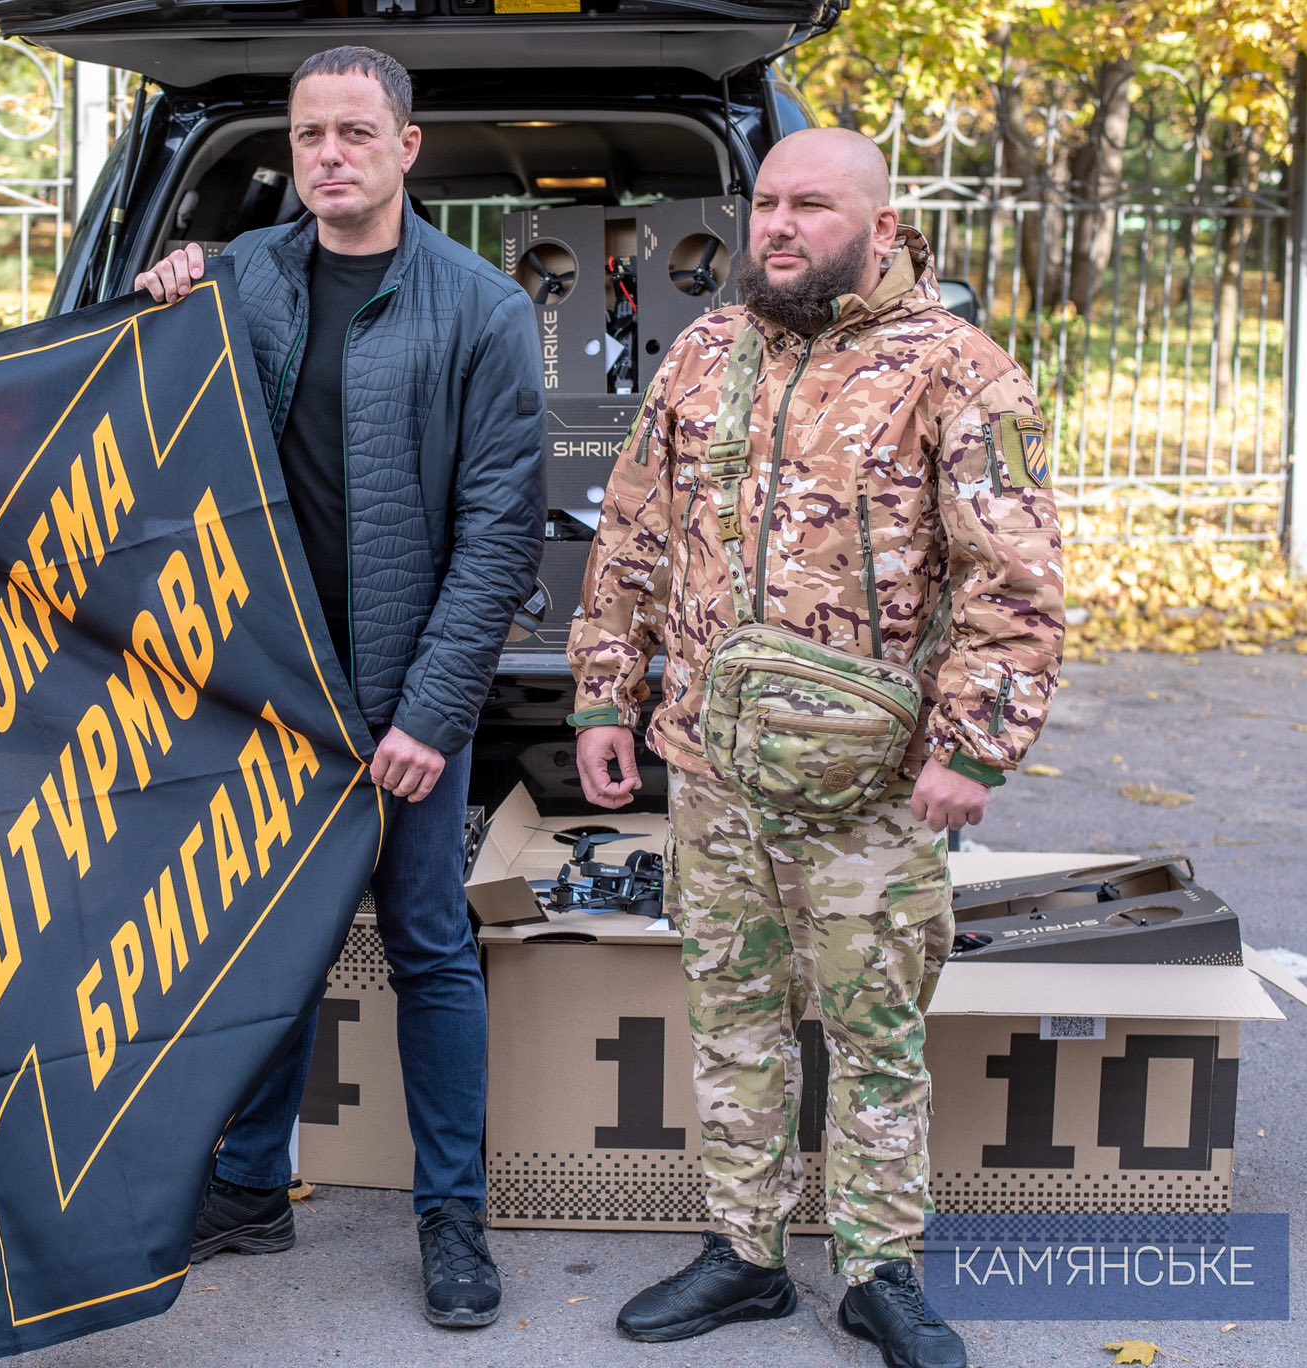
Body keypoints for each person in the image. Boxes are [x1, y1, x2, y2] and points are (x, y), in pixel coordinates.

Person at [567, 127, 1064, 1368]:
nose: (778, 227)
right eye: (766, 205)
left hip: (869, 783)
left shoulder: (958, 372)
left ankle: (877, 1270)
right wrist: (603, 698)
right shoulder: (702, 353)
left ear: (882, 228)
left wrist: (973, 748)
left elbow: (1011, 581)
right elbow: (628, 536)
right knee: (731, 1015)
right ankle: (742, 1255)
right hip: (711, 769)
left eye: (811, 207)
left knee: (870, 1031)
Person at [134, 45, 543, 1330]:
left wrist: (430, 713)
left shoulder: (480, 309)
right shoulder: (238, 276)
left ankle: (452, 1219)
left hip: (400, 696)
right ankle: (249, 1187)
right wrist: (162, 293)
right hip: (262, 693)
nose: (328, 154)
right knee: (264, 950)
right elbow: (141, 416)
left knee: (428, 949)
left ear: (406, 147)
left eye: (355, 132)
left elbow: (500, 535)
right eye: (309, 133)